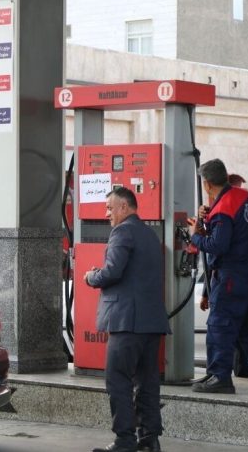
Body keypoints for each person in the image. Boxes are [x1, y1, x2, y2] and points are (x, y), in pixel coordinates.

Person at [84, 186, 170, 452]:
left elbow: (112, 272)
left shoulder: (122, 232)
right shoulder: (149, 234)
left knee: (118, 380)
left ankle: (124, 441)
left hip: (127, 322)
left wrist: (91, 276)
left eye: (110, 208)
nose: (106, 213)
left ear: (124, 207)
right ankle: (149, 439)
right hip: (151, 322)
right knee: (147, 382)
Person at [189, 159, 248, 394]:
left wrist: (195, 236)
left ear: (206, 184)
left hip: (232, 275)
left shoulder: (223, 208)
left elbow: (218, 246)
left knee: (219, 325)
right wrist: (208, 216)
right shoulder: (244, 197)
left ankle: (219, 376)